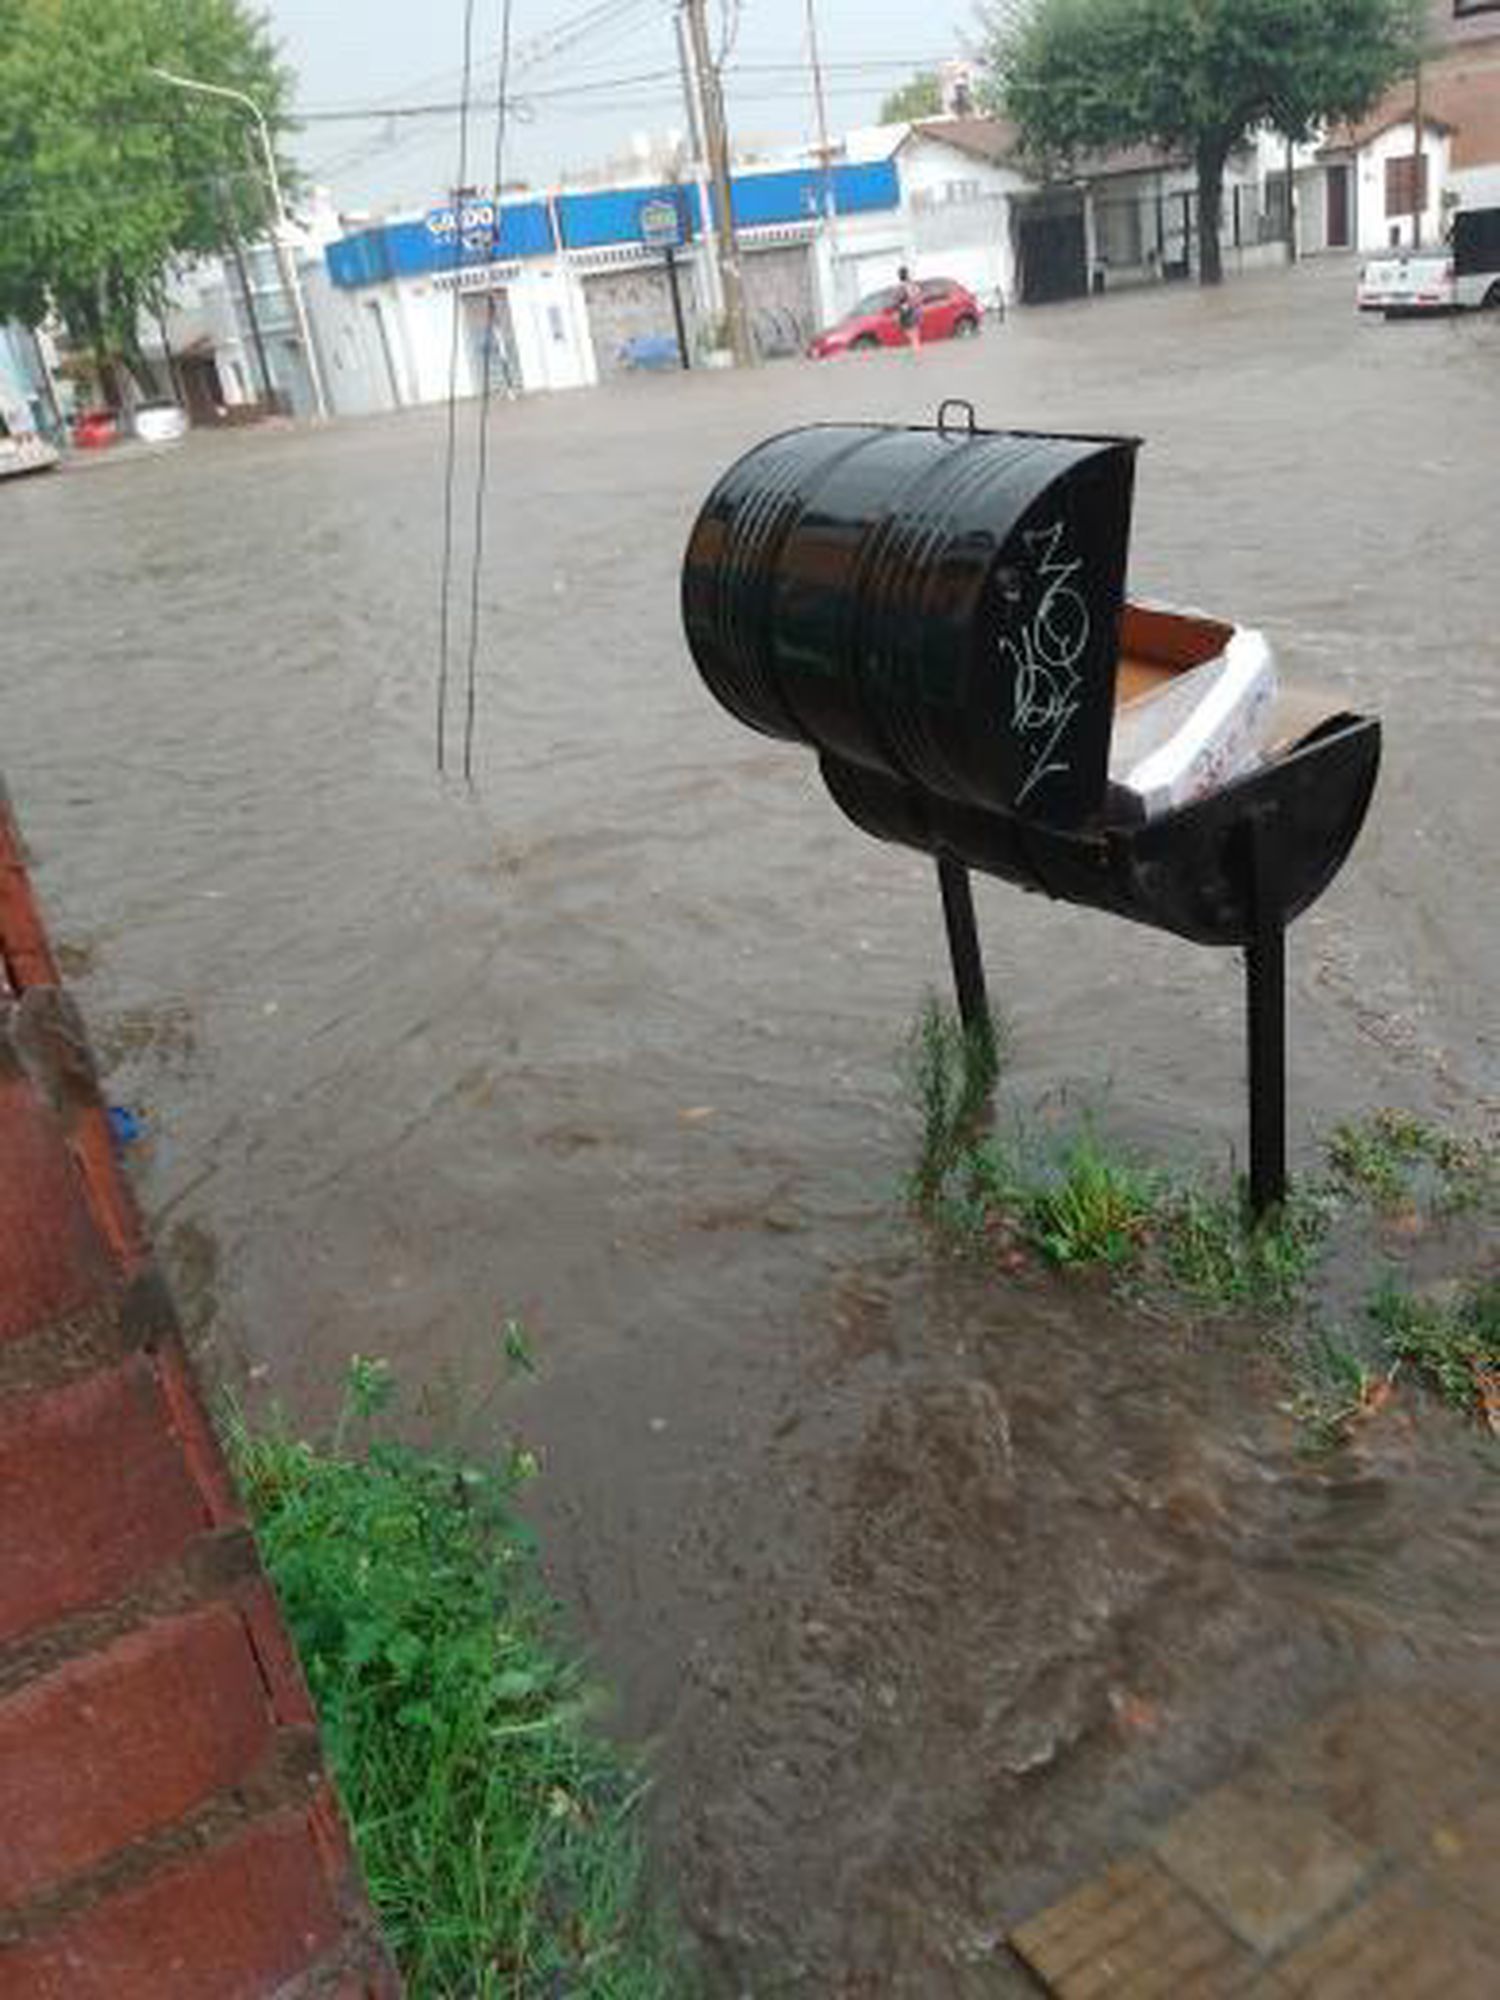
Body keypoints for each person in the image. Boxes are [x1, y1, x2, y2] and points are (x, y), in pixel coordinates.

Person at [895, 265, 923, 350]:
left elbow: (899, 297)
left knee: (907, 327)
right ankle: (916, 344)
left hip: (907, 308)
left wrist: (907, 303)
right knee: (914, 327)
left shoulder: (902, 285)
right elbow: (918, 293)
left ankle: (915, 345)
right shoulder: (912, 283)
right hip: (915, 307)